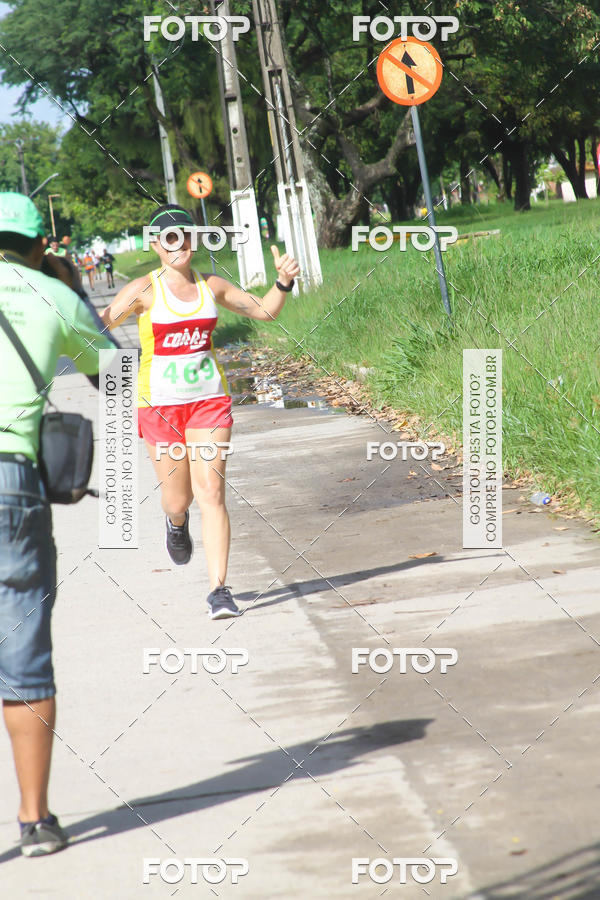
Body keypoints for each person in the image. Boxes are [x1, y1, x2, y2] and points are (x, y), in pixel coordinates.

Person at [100, 204, 299, 619]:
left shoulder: (212, 286)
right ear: (155, 244)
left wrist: (283, 281)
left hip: (209, 403)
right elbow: (98, 325)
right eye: (169, 237)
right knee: (179, 499)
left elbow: (263, 311)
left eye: (186, 235)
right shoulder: (143, 290)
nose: (179, 244)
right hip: (161, 409)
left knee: (212, 493)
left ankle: (219, 590)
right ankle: (175, 524)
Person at [0, 192, 116, 856]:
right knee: (22, 652)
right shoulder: (53, 296)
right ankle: (34, 820)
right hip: (12, 480)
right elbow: (117, 376)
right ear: (39, 246)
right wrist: (74, 296)